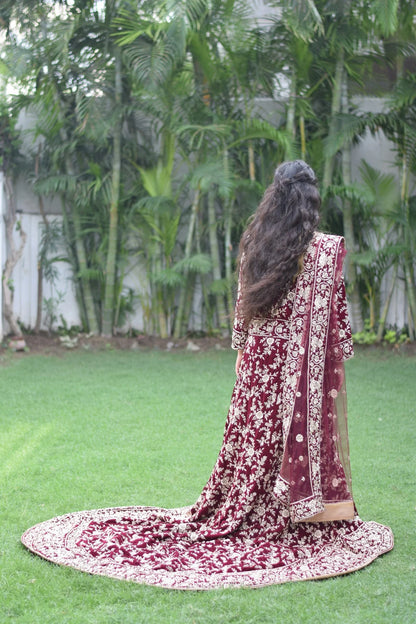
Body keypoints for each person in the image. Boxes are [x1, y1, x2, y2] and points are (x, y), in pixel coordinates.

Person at [22, 160, 393, 590]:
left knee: (253, 439)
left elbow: (243, 314)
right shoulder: (326, 251)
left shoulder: (255, 243)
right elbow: (336, 324)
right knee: (278, 438)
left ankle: (242, 506)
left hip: (257, 365)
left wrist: (246, 353)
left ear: (274, 195)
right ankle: (291, 512)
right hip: (296, 373)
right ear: (312, 200)